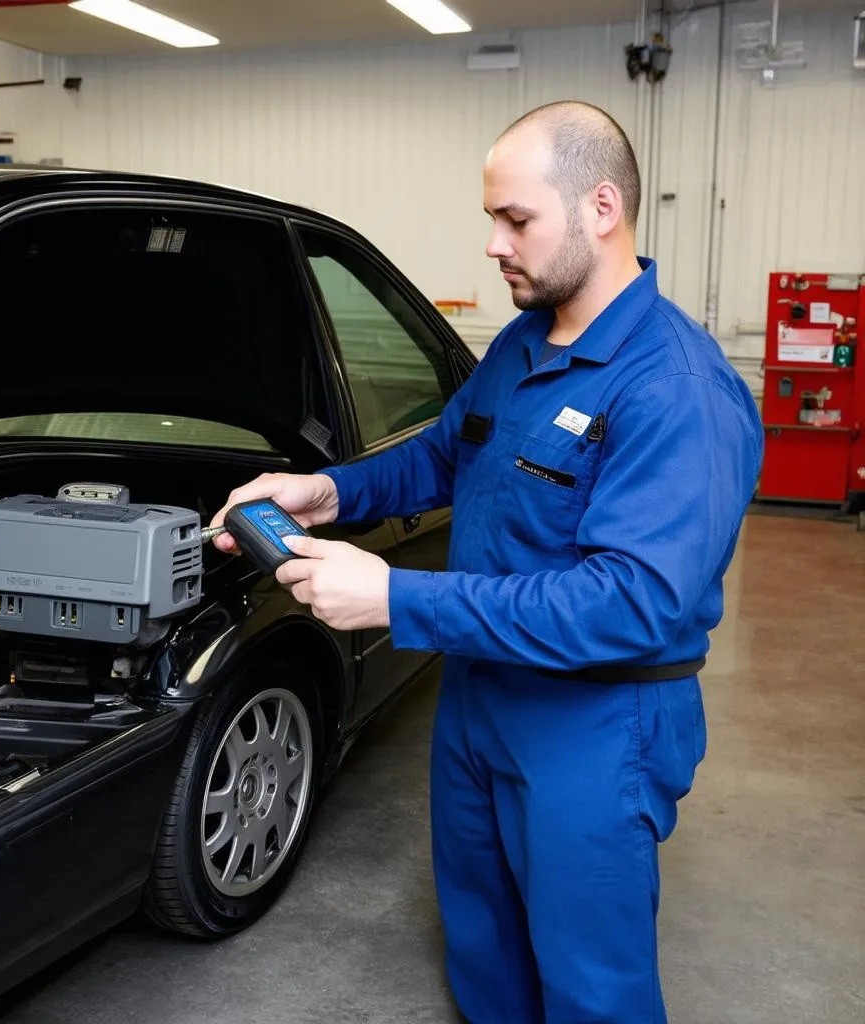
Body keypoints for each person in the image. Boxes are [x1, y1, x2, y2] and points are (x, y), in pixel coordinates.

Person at [209, 101, 764, 1023]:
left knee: (591, 982)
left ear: (600, 207)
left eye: (517, 220)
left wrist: (394, 594)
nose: (495, 245)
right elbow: (441, 455)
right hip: (481, 695)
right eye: (491, 220)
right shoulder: (523, 340)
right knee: (483, 941)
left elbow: (632, 603)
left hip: (597, 716)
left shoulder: (678, 390)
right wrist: (329, 492)